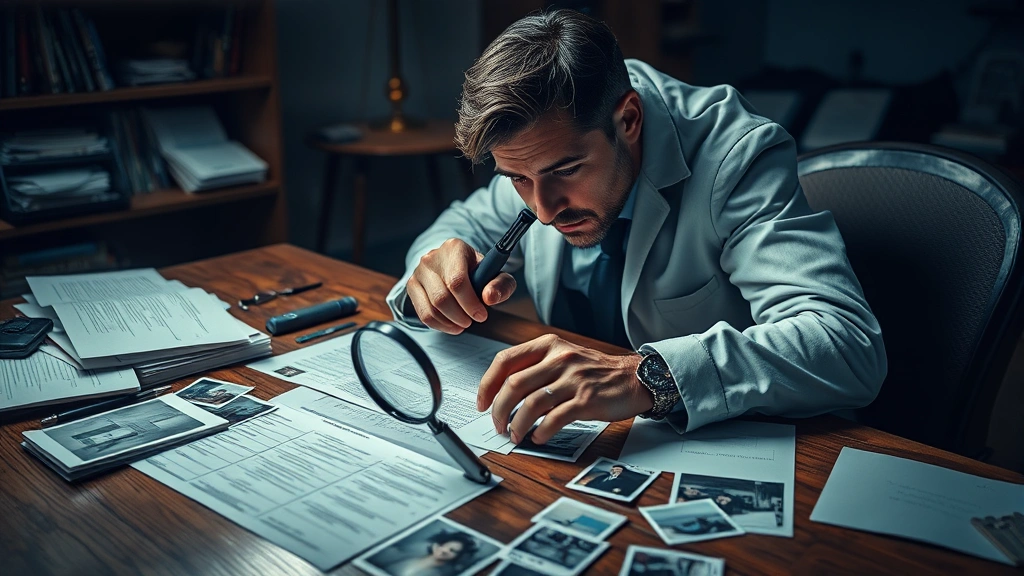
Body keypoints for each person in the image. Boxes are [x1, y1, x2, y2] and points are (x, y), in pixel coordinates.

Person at [386, 9, 886, 445]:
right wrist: (437, 268)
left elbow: (845, 344)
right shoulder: (541, 149)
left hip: (753, 447)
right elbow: (460, 224)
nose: (543, 211)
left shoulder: (736, 155)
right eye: (517, 178)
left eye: (565, 171)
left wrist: (649, 377)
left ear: (628, 120)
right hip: (588, 442)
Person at [366, 529, 480, 576]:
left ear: (457, 556)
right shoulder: (410, 554)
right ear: (437, 544)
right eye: (444, 546)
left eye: (453, 551)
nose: (445, 550)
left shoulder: (437, 574)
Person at [579, 464, 647, 496]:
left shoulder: (625, 481)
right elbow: (591, 484)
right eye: (613, 469)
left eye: (618, 470)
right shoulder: (603, 476)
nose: (615, 471)